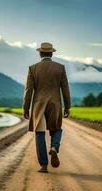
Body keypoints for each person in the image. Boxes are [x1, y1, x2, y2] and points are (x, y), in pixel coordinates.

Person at [23, 42, 71, 173]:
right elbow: (65, 89)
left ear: (40, 53)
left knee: (39, 133)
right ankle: (54, 147)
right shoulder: (60, 68)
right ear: (51, 53)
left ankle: (43, 165)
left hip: (39, 105)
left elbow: (29, 90)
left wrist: (25, 108)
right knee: (56, 129)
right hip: (55, 104)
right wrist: (67, 106)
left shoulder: (33, 68)